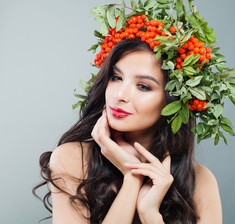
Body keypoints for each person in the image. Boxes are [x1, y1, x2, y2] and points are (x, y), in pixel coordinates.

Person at [34, 38, 222, 224]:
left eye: (143, 86)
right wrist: (132, 179)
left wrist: (151, 215)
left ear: (174, 102)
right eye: (116, 77)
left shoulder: (201, 181)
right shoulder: (73, 159)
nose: (120, 95)